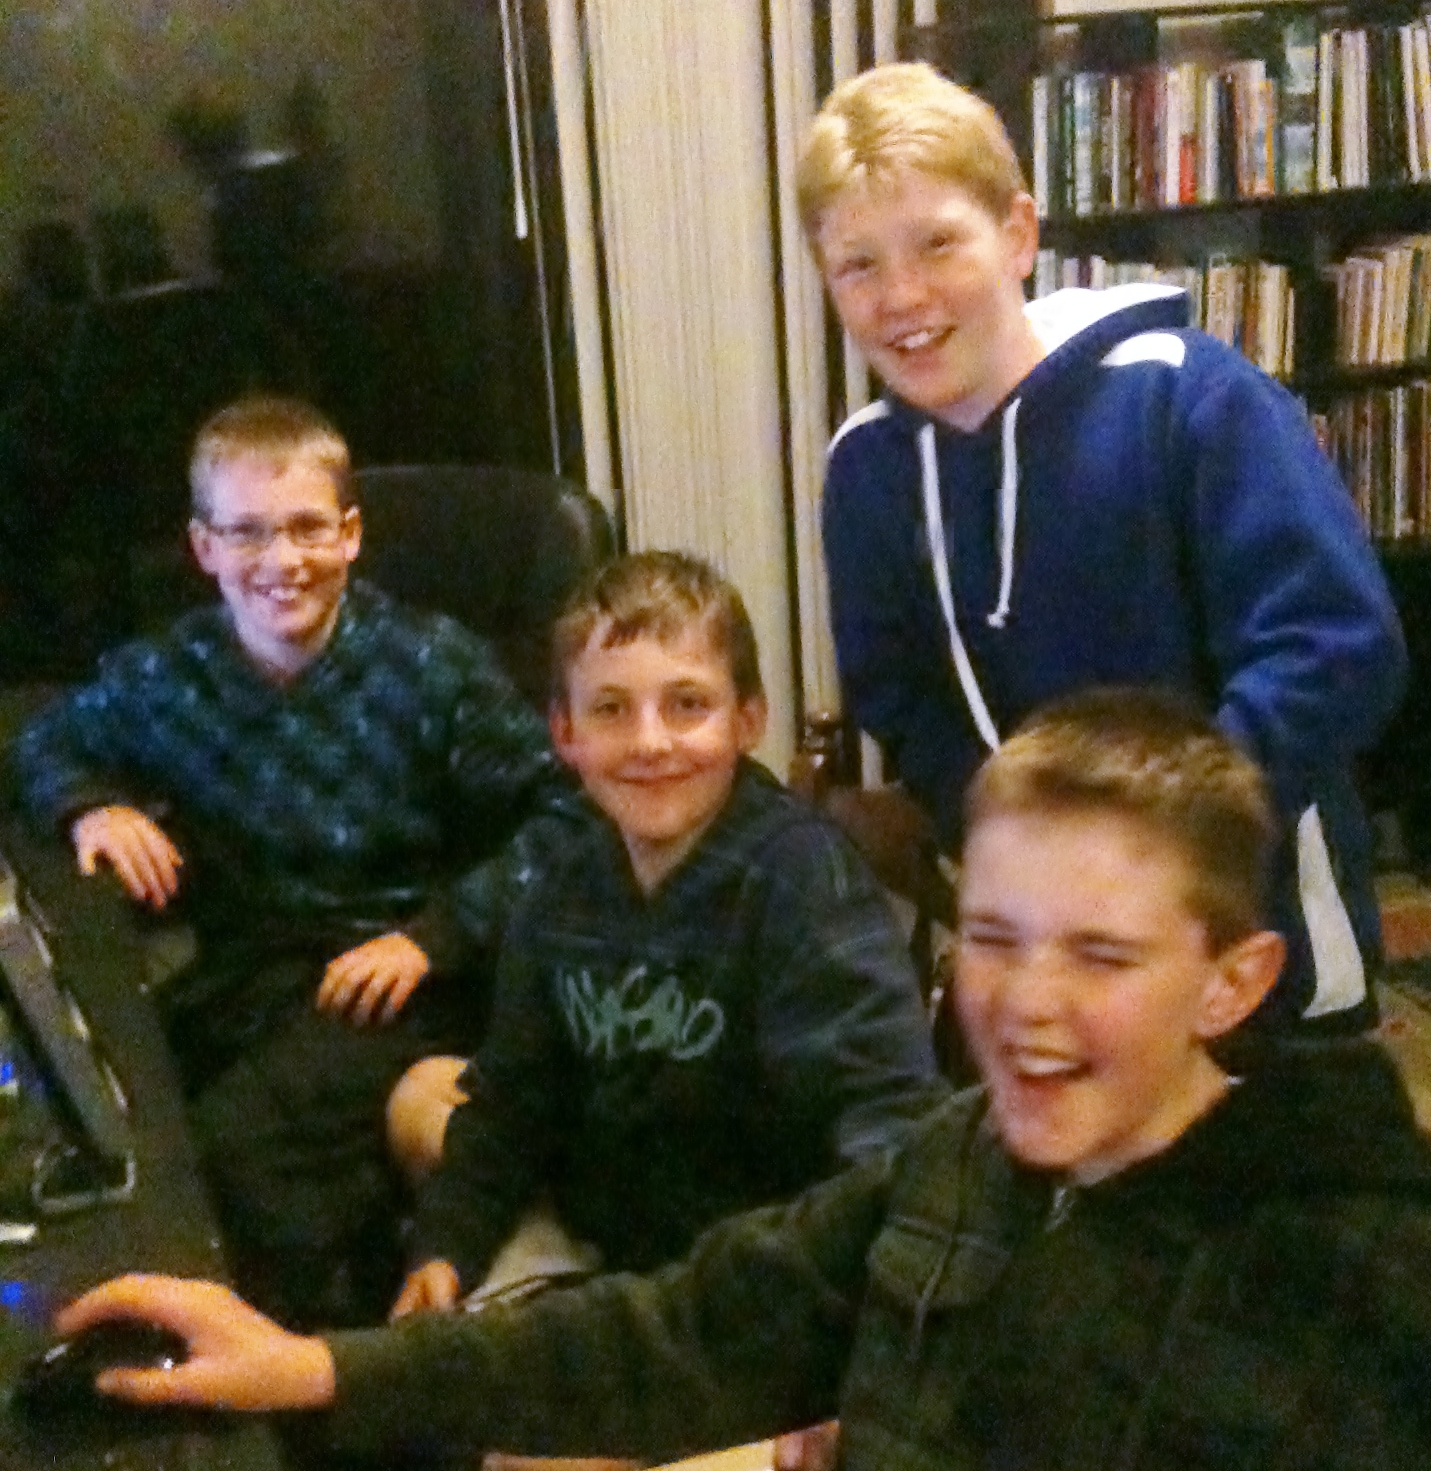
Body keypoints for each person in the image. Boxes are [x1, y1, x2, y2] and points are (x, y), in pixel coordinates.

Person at [58, 689, 1431, 1470]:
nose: (1025, 1002)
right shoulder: (967, 1155)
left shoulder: (1352, 1275)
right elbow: (686, 1331)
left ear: (1231, 982)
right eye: (994, 937)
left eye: (1101, 954)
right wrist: (309, 1362)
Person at [801, 62, 1406, 1033]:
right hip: (1052, 969)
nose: (901, 294)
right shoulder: (865, 471)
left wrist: (1155, 849)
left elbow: (1336, 647)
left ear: (1018, 234)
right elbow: (901, 697)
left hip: (1257, 960)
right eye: (857, 264)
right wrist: (1014, 845)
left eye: (938, 243)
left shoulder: (1187, 397)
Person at [10, 395, 578, 1324]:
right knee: (122, 1130)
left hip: (403, 972)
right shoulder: (174, 675)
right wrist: (91, 807)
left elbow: (568, 817)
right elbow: (43, 740)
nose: (281, 560)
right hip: (251, 971)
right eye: (247, 533)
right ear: (203, 547)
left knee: (239, 1157)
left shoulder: (431, 667)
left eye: (308, 528)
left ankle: (322, 1367)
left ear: (350, 534)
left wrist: (436, 935)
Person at [387, 550, 944, 1324]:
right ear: (564, 732)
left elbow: (883, 1117)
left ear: (748, 719)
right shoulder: (559, 885)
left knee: (528, 1414)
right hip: (615, 1236)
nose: (649, 742)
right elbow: (512, 1103)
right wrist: (442, 1248)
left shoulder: (800, 879)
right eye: (610, 709)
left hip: (761, 1266)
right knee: (422, 1098)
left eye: (687, 704)